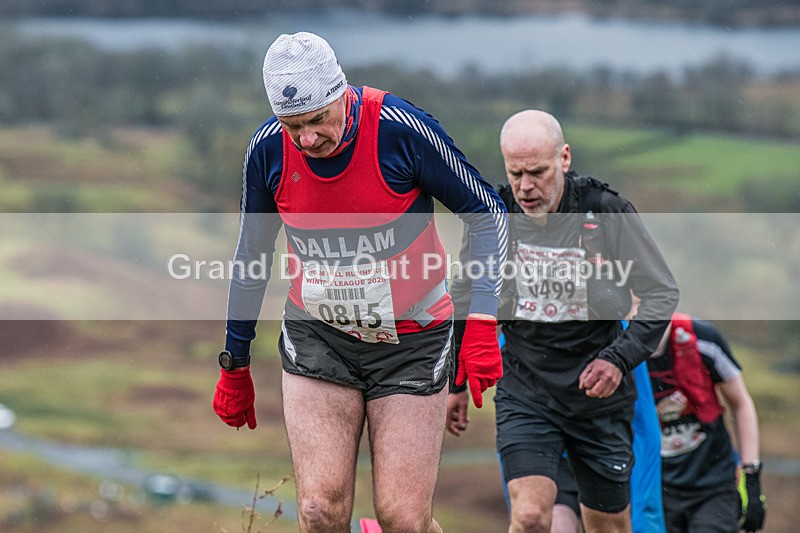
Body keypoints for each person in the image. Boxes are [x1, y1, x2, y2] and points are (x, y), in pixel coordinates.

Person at [211, 32, 508, 533]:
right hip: (319, 336)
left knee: (404, 519)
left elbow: (490, 216)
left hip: (412, 341)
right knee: (320, 512)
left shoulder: (400, 131)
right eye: (292, 126)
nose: (306, 139)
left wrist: (480, 321)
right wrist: (234, 363)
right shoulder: (266, 150)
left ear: (342, 96)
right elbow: (250, 257)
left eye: (317, 120)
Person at [447, 109, 679, 533]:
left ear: (564, 158)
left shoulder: (605, 211)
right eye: (515, 173)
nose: (526, 187)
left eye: (537, 172)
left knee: (609, 525)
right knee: (531, 515)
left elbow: (661, 292)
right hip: (527, 389)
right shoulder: (495, 218)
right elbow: (466, 298)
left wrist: (618, 359)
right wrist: (455, 382)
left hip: (598, 397)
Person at [647, 313, 766, 533]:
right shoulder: (615, 352)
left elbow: (740, 403)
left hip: (713, 484)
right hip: (653, 487)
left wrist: (751, 476)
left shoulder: (702, 339)